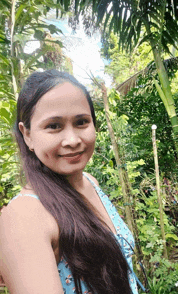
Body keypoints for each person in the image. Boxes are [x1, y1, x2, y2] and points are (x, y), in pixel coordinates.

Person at [0, 70, 138, 294]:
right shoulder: (24, 216)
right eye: (54, 126)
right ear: (27, 135)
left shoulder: (90, 182)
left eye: (82, 122)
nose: (73, 140)